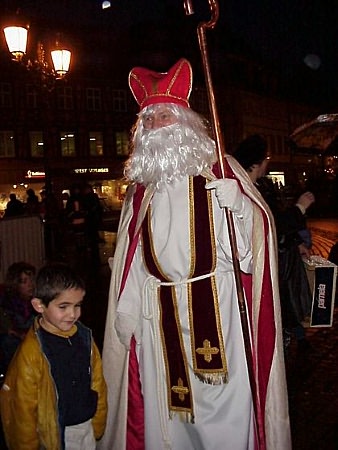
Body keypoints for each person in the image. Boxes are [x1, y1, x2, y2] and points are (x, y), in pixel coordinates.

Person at [99, 59, 291, 450]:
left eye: (165, 115)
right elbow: (133, 258)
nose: (155, 127)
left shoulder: (222, 170)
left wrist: (241, 209)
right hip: (160, 316)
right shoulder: (140, 189)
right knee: (166, 413)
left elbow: (253, 255)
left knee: (224, 414)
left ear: (185, 120)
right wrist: (128, 311)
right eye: (149, 119)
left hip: (216, 309)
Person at [0, 263, 107, 450]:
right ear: (39, 305)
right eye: (63, 306)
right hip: (54, 434)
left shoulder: (85, 338)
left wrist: (97, 423)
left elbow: (97, 383)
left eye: (78, 305)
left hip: (86, 428)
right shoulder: (31, 353)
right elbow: (23, 409)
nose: (73, 314)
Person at [232, 134, 315, 351]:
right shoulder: (246, 191)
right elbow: (271, 224)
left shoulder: (261, 186)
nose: (268, 162)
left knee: (287, 298)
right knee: (279, 301)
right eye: (266, 157)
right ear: (257, 162)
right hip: (259, 264)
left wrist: (297, 242)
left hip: (278, 257)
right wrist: (300, 208)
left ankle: (294, 334)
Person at [0, 262, 36, 376]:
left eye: (31, 280)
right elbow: (8, 329)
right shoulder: (7, 304)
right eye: (24, 282)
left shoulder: (36, 303)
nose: (30, 285)